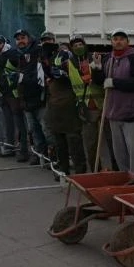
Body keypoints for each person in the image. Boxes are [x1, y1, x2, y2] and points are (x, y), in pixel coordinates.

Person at [91, 30, 134, 175]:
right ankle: (124, 179)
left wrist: (115, 82)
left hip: (132, 114)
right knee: (120, 153)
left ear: (127, 42)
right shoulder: (108, 59)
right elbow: (100, 82)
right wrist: (97, 68)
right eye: (115, 39)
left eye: (122, 39)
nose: (118, 42)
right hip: (114, 113)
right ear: (111, 42)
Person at [69, 36, 115, 171]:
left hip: (103, 103)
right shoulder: (70, 63)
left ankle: (117, 169)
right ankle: (97, 170)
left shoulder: (94, 58)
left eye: (80, 44)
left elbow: (103, 76)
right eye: (75, 45)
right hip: (86, 107)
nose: (78, 47)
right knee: (91, 143)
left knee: (112, 140)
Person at [44, 35, 88, 175]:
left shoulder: (69, 64)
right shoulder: (50, 63)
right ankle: (64, 171)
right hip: (56, 109)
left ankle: (79, 171)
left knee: (73, 142)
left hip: (69, 108)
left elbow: (76, 84)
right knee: (61, 144)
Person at [11, 29, 51, 165]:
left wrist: (21, 77)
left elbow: (39, 77)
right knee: (34, 130)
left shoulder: (38, 52)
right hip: (26, 99)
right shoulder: (18, 55)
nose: (20, 41)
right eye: (18, 39)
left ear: (29, 38)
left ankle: (53, 158)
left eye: (23, 38)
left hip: (39, 98)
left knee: (46, 130)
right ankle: (40, 155)